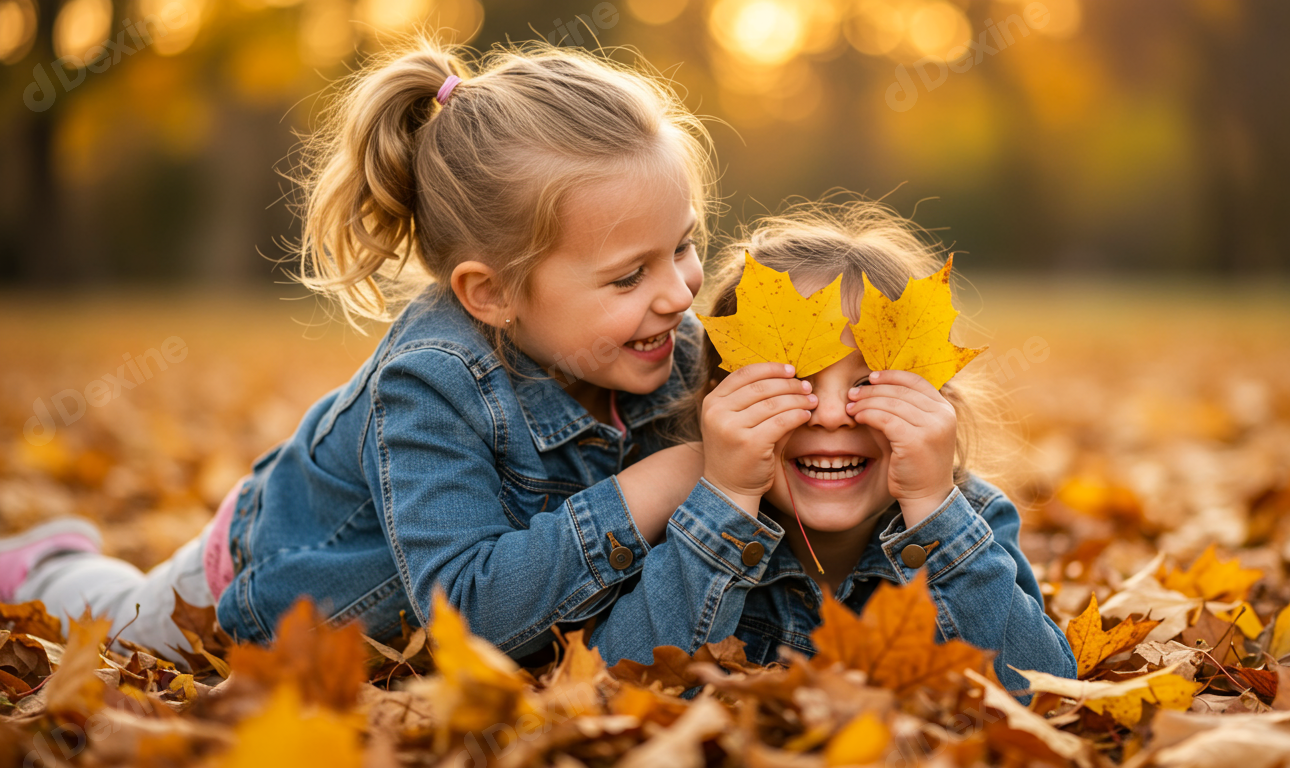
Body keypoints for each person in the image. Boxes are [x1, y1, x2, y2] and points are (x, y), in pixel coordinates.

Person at [0, 39, 721, 663]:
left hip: (404, 630)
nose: (679, 293)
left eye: (684, 245)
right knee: (118, 621)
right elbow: (467, 613)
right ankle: (48, 568)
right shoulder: (432, 382)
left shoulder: (672, 347)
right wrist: (676, 474)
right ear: (492, 293)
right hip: (262, 593)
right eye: (630, 275)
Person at [583, 201, 1077, 695]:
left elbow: (1042, 692)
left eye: (871, 382)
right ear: (719, 403)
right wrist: (727, 499)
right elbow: (619, 692)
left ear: (937, 405)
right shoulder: (682, 526)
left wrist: (932, 508)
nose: (832, 413)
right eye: (792, 380)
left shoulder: (973, 518)